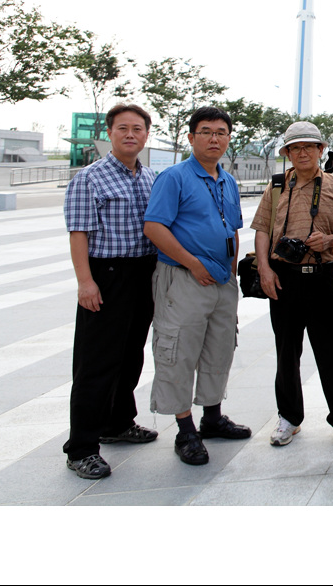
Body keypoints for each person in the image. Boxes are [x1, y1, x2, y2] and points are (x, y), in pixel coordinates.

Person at [144, 105, 250, 466]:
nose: (214, 138)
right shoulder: (173, 178)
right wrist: (193, 263)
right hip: (183, 278)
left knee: (219, 348)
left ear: (228, 138)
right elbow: (154, 227)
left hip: (221, 281)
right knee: (179, 351)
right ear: (191, 137)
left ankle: (212, 417)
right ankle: (185, 429)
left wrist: (231, 272)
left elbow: (232, 229)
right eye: (206, 132)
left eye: (221, 132)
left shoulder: (228, 180)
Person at [62, 103, 159, 480]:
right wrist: (86, 282)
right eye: (123, 128)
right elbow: (79, 234)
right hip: (107, 275)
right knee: (96, 363)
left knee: (131, 355)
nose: (130, 134)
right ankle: (81, 447)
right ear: (110, 133)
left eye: (138, 128)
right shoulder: (90, 178)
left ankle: (118, 423)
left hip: (143, 273)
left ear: (146, 135)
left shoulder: (150, 177)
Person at [250, 121, 333, 449]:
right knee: (286, 352)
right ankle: (289, 417)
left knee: (332, 353)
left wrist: (329, 240)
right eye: (295, 148)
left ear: (321, 150)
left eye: (309, 146)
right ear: (288, 153)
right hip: (284, 278)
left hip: (325, 278)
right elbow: (262, 229)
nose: (303, 152)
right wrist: (264, 268)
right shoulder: (277, 186)